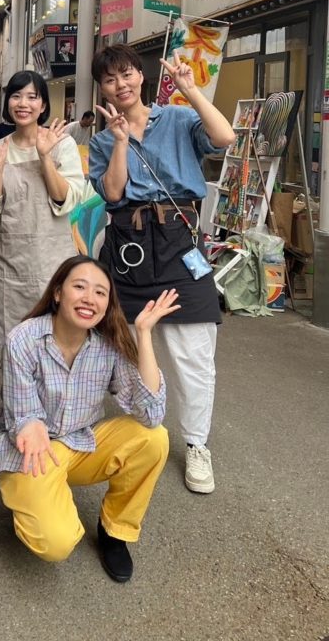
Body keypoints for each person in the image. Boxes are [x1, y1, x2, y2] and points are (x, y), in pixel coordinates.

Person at [88, 44, 236, 495]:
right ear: (102, 88)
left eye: (127, 73)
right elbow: (114, 194)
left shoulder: (177, 118)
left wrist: (191, 91)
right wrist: (119, 142)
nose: (121, 84)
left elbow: (225, 138)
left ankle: (196, 443)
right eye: (110, 79)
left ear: (141, 75)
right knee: (127, 350)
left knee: (194, 354)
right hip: (128, 248)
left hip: (178, 244)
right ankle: (139, 431)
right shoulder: (101, 140)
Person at [0, 256, 174, 582]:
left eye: (100, 292)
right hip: (31, 450)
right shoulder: (24, 339)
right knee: (56, 543)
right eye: (80, 287)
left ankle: (115, 531)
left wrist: (143, 334)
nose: (89, 299)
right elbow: (23, 415)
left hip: (79, 443)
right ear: (58, 293)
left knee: (154, 438)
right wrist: (31, 426)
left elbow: (151, 414)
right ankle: (23, 491)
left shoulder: (108, 343)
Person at [0, 70, 85, 347]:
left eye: (32, 97)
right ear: (8, 103)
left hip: (54, 256)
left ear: (43, 105)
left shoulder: (61, 143)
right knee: (15, 339)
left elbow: (65, 200)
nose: (23, 103)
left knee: (57, 335)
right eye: (16, 96)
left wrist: (45, 156)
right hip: (12, 257)